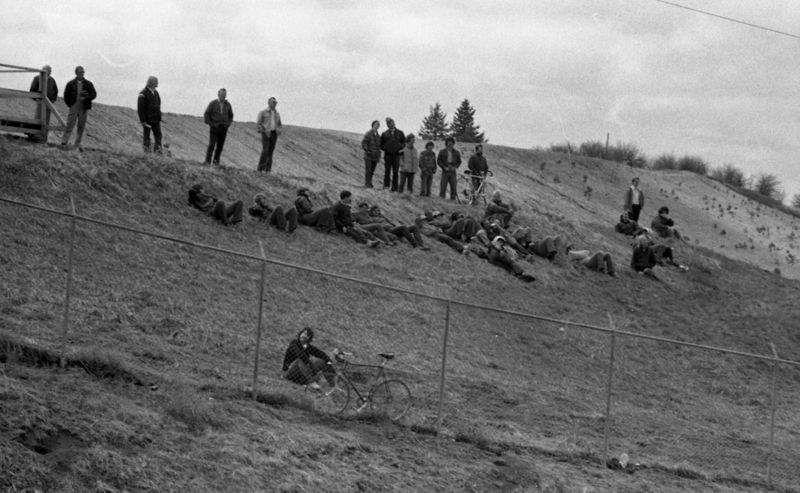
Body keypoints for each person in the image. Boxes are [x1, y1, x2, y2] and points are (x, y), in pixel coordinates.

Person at [353, 202, 429, 249]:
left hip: (393, 229)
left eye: (378, 210)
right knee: (403, 227)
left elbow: (392, 223)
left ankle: (421, 244)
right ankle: (415, 245)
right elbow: (371, 226)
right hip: (388, 230)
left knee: (414, 227)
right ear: (371, 211)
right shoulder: (370, 217)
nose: (377, 212)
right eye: (375, 210)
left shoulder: (382, 217)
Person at [60, 66, 96, 151]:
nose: (82, 74)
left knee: (81, 126)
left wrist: (86, 98)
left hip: (83, 108)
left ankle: (77, 143)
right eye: (80, 72)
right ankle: (64, 141)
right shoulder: (70, 83)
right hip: (74, 107)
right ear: (76, 73)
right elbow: (66, 95)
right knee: (69, 124)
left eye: (83, 72)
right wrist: (70, 104)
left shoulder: (88, 84)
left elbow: (93, 94)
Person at [203, 88, 234, 166]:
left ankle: (216, 163)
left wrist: (228, 124)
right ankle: (207, 162)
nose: (223, 96)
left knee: (219, 147)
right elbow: (207, 113)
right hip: (214, 127)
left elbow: (231, 115)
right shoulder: (213, 103)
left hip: (223, 128)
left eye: (225, 94)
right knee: (211, 145)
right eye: (222, 94)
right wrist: (210, 123)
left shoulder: (228, 105)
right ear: (218, 94)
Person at [29, 65, 58, 141]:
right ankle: (34, 137)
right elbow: (32, 90)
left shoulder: (52, 80)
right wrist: (37, 97)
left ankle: (44, 138)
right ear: (43, 70)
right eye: (48, 69)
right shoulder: (37, 78)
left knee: (46, 121)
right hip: (40, 103)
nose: (50, 71)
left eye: (50, 70)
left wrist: (53, 100)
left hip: (49, 104)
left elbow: (55, 91)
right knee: (38, 119)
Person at [137, 76, 162, 154]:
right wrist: (143, 120)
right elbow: (140, 108)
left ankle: (158, 153)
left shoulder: (156, 93)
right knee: (147, 137)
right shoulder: (143, 93)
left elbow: (159, 103)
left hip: (156, 119)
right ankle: (147, 153)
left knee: (158, 136)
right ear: (152, 82)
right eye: (156, 81)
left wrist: (159, 116)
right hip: (147, 120)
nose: (158, 83)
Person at [380, 117, 406, 191]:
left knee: (395, 172)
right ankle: (386, 186)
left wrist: (400, 147)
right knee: (387, 171)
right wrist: (386, 148)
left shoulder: (400, 133)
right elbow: (381, 144)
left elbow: (404, 142)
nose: (392, 124)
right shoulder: (385, 133)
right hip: (388, 155)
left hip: (396, 155)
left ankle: (394, 187)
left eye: (392, 123)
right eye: (390, 123)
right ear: (388, 125)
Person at [256, 97, 282, 173]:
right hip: (266, 133)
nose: (275, 104)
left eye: (276, 102)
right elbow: (259, 122)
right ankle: (260, 169)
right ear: (269, 103)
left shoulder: (277, 114)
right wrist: (262, 131)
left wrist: (278, 131)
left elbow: (279, 123)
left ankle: (268, 170)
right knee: (265, 151)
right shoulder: (263, 112)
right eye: (273, 102)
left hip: (274, 134)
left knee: (270, 152)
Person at [361, 120, 381, 188]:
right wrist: (367, 150)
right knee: (368, 170)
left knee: (372, 171)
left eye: (379, 124)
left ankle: (370, 183)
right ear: (373, 124)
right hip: (369, 155)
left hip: (375, 156)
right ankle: (367, 184)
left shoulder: (378, 136)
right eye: (377, 124)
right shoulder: (368, 133)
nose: (378, 125)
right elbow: (364, 142)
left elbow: (379, 146)